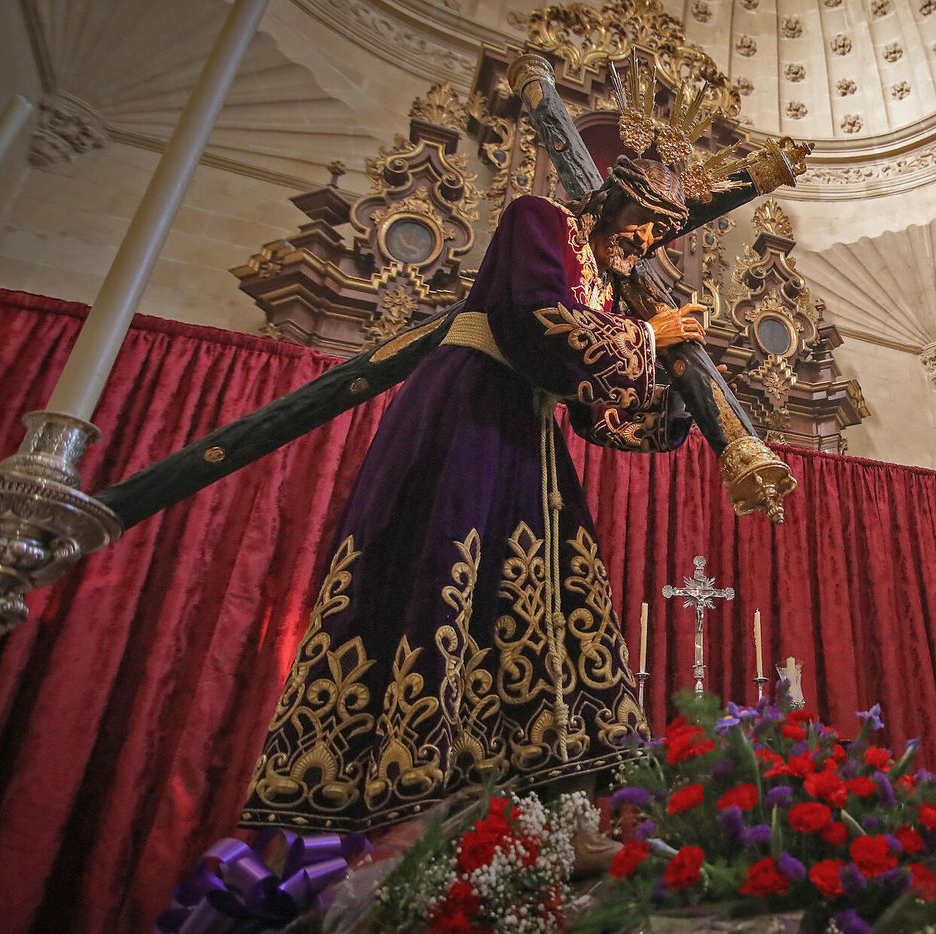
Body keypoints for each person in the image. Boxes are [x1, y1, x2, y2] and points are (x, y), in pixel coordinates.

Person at [240, 157, 708, 835]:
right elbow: (536, 320)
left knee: (551, 595)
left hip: (528, 431)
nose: (642, 244)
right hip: (469, 409)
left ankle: (546, 812)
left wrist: (671, 393)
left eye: (657, 237)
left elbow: (592, 408)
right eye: (641, 226)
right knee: (448, 571)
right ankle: (416, 801)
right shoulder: (538, 218)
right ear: (609, 202)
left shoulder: (608, 283)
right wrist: (645, 337)